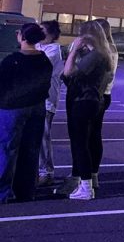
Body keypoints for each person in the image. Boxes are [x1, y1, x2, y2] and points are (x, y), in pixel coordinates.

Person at [62, 19, 116, 202]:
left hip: (84, 102)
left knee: (80, 144)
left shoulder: (95, 57)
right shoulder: (104, 54)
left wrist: (74, 51)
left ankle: (86, 187)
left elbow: (67, 73)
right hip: (93, 101)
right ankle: (87, 183)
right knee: (86, 141)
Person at [0, 23, 53, 203]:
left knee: (7, 149)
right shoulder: (44, 61)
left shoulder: (12, 60)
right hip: (36, 108)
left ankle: (4, 192)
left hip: (12, 109)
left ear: (22, 37)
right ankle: (26, 190)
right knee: (30, 150)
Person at [91, 18, 119, 192]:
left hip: (97, 95)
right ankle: (94, 173)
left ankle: (88, 175)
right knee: (95, 135)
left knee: (88, 136)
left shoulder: (102, 51)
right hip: (105, 95)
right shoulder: (113, 49)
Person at [37, 19, 65, 188]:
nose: (39, 33)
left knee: (43, 137)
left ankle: (46, 172)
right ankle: (38, 170)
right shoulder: (40, 47)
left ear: (51, 34)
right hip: (37, 98)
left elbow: (39, 64)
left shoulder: (53, 50)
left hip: (47, 100)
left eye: (42, 30)